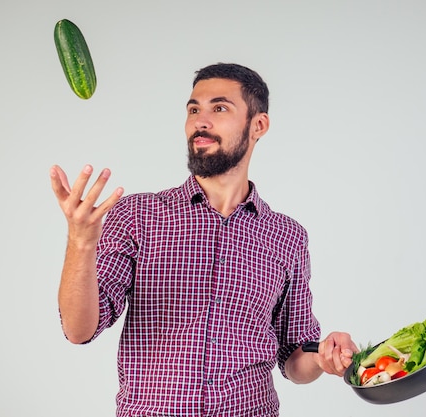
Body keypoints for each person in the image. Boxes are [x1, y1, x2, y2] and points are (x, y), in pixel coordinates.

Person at [50, 63, 358, 417]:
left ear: (259, 125)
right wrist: (81, 241)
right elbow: (78, 330)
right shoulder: (138, 214)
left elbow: (293, 358)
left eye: (220, 108)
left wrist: (322, 356)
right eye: (194, 109)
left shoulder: (287, 236)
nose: (200, 120)